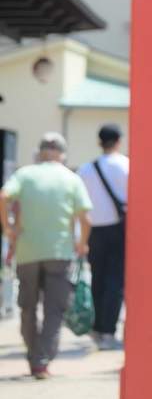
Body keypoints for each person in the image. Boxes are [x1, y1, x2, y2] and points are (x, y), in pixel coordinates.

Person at [0, 132, 92, 379]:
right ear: (62, 154)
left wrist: (8, 228)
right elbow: (85, 219)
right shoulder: (71, 179)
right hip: (59, 252)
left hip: (27, 251)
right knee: (54, 309)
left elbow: (4, 196)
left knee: (27, 307)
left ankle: (33, 353)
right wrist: (82, 244)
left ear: (40, 152)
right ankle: (42, 360)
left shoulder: (24, 174)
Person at [78, 123, 128, 347]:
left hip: (92, 230)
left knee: (97, 278)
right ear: (119, 141)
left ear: (99, 142)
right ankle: (109, 332)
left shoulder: (86, 169)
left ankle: (97, 328)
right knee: (115, 281)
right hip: (119, 229)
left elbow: (79, 205)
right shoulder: (127, 166)